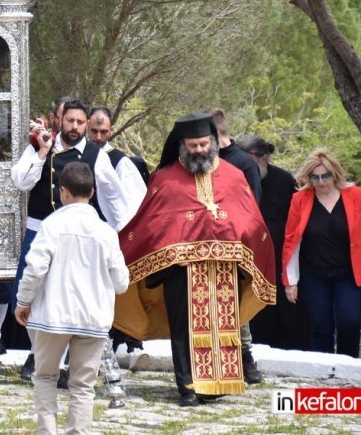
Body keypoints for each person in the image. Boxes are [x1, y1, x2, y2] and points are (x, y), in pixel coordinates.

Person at [114, 113, 276, 406]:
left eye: (204, 143)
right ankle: (187, 385)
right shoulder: (164, 179)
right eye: (193, 145)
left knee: (224, 326)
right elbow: (151, 223)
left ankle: (218, 384)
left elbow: (250, 220)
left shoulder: (234, 175)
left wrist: (236, 240)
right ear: (182, 145)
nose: (199, 150)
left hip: (225, 270)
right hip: (180, 271)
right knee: (184, 329)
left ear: (213, 141)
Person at [11, 97, 133, 381]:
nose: (75, 127)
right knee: (25, 292)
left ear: (87, 124)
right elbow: (20, 182)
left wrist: (122, 231)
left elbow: (113, 197)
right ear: (60, 120)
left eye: (80, 122)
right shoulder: (40, 146)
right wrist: (41, 153)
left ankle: (63, 363)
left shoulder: (95, 155)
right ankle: (38, 352)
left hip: (78, 235)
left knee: (67, 294)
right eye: (70, 121)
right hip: (40, 228)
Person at [15, 162, 129, 434]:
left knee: (44, 377)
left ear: (62, 192)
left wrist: (23, 301)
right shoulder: (106, 232)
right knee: (83, 385)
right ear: (92, 192)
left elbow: (35, 269)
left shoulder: (52, 225)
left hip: (53, 317)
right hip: (93, 319)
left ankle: (48, 431)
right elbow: (121, 283)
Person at [282, 148, 361, 357]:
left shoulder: (354, 195)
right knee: (321, 326)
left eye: (325, 176)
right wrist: (290, 281)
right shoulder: (300, 199)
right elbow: (291, 241)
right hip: (314, 274)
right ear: (308, 177)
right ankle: (324, 375)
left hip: (348, 273)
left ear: (335, 174)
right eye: (315, 177)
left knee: (349, 322)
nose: (321, 182)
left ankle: (349, 369)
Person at [87, 105, 149, 369]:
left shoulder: (121, 162)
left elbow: (132, 205)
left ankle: (123, 343)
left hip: (110, 239)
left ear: (111, 129)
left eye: (104, 131)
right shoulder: (73, 154)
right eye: (94, 130)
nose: (99, 137)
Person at [206, 108, 263, 383]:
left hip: (234, 245)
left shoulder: (244, 164)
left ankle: (245, 355)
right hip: (203, 245)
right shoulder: (202, 160)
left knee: (235, 305)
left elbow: (252, 210)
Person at [236, 135, 309, 351]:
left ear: (264, 157)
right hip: (249, 257)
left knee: (285, 313)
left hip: (280, 258)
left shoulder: (285, 180)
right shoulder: (237, 180)